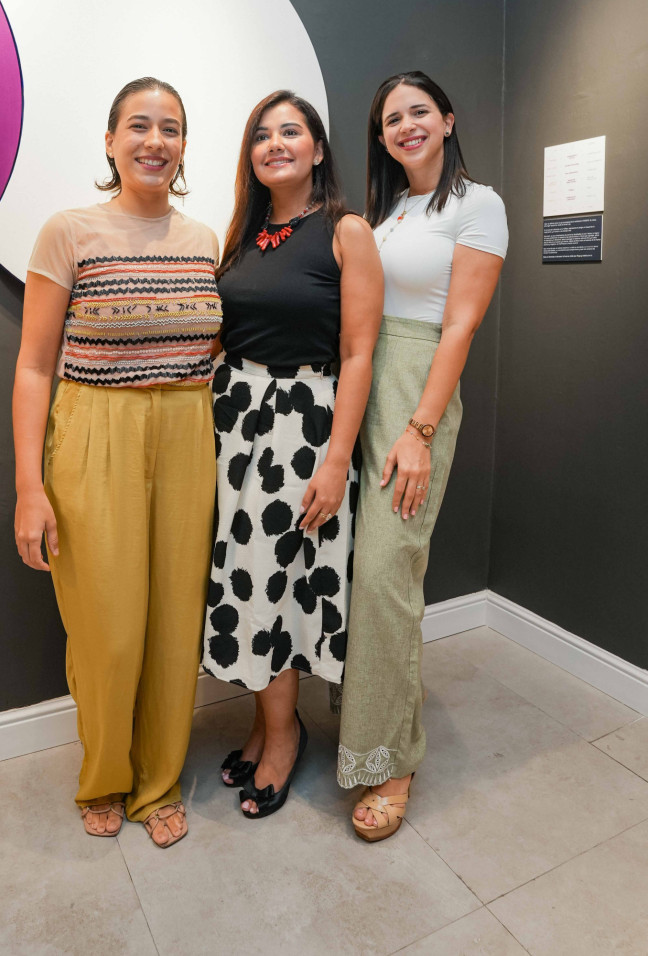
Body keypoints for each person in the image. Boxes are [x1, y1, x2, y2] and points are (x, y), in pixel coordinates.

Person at [12, 77, 221, 848]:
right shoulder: (69, 231)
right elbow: (34, 365)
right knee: (106, 629)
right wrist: (30, 484)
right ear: (110, 141)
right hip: (95, 431)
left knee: (173, 623)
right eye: (139, 126)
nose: (154, 141)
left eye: (170, 128)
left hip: (187, 430)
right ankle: (104, 776)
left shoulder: (204, 240)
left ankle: (159, 783)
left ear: (184, 147)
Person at [202, 90, 384, 819]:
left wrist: (338, 458)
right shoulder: (243, 233)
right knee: (245, 585)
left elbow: (360, 352)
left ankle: (284, 738)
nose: (276, 144)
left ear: (316, 148)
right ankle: (265, 722)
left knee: (278, 587)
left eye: (291, 131)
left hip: (303, 428)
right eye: (262, 135)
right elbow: (220, 332)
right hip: (233, 423)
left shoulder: (347, 231)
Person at [337, 71, 508, 841]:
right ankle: (361, 716)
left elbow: (461, 328)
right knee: (353, 569)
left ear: (447, 118)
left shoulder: (480, 205)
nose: (405, 126)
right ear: (380, 139)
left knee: (386, 572)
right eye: (390, 120)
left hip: (417, 392)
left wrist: (421, 429)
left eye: (418, 113)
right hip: (364, 384)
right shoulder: (391, 211)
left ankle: (393, 757)